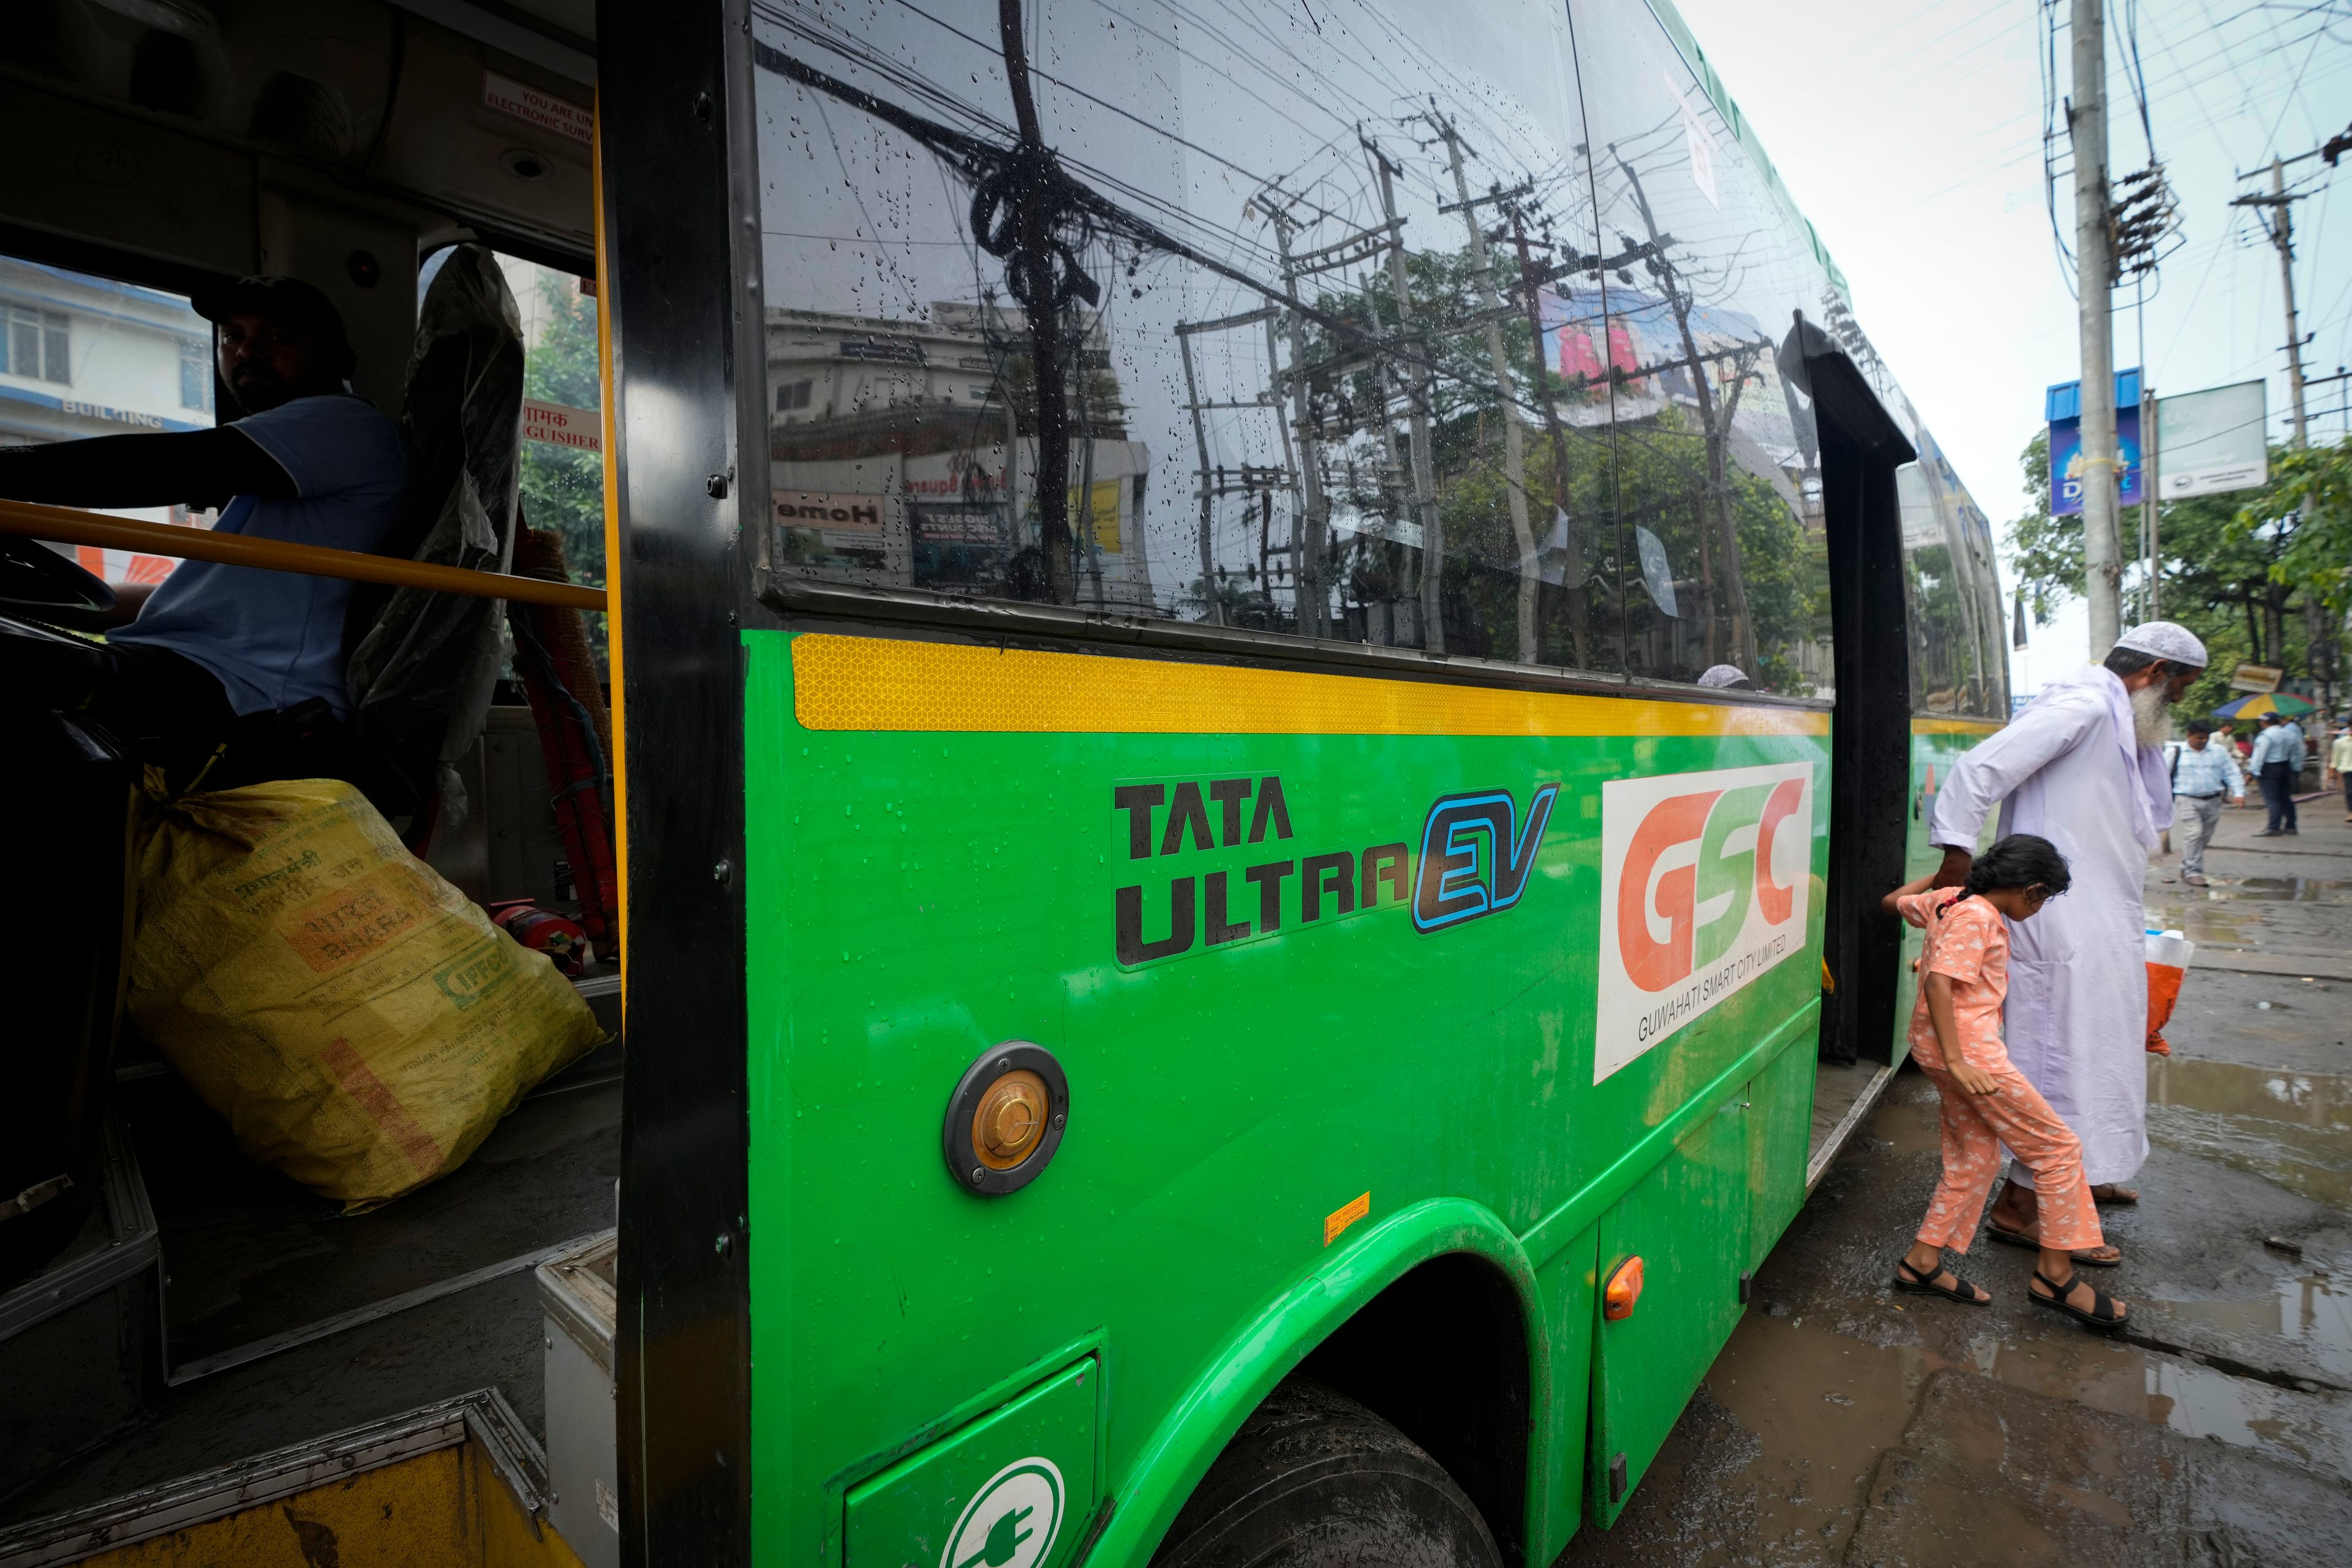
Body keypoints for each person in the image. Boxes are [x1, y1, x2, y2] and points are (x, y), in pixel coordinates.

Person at [0, 276, 408, 786]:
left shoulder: (345, 425)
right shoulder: (293, 464)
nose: (246, 352)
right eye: (232, 337)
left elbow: (163, 467)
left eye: (277, 338)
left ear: (342, 362)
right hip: (199, 673)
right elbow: (188, 602)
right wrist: (30, 603)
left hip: (248, 694)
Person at [1928, 620, 2207, 1260]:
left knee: (2101, 1050)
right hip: (2055, 920)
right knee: (2059, 1058)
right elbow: (1978, 772)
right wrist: (1955, 865)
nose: (2180, 706)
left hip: (2101, 917)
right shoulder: (2082, 705)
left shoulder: (2119, 723)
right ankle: (2023, 1205)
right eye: (2181, 689)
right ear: (2154, 675)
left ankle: (2077, 1174)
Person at [1883, 836, 2125, 1330]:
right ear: (2031, 890)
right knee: (2057, 1150)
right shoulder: (1979, 917)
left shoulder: (1949, 900)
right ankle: (2055, 1276)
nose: (2038, 909)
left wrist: (1942, 874)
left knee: (1976, 1157)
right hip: (1969, 1056)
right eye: (2042, 899)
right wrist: (1958, 1060)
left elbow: (1892, 903)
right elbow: (1938, 980)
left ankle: (1921, 1263)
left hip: (1934, 1048)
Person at [2171, 718, 2244, 888]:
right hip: (2186, 798)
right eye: (2200, 738)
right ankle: (2193, 872)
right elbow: (2160, 776)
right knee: (2194, 833)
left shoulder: (2218, 752)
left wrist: (2239, 792)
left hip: (2213, 799)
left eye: (2206, 738)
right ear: (2189, 735)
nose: (2204, 741)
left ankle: (2186, 865)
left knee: (2204, 837)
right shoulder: (2175, 752)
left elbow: (2231, 772)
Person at [2248, 710, 2305, 837]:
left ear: (2264, 722)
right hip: (2285, 766)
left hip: (2269, 769)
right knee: (2285, 798)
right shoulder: (2289, 734)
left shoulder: (2266, 736)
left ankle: (2274, 827)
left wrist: (2253, 772)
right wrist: (2296, 767)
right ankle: (2291, 826)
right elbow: (2299, 751)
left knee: (2272, 799)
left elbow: (2259, 756)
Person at [2331, 717, 2352, 823]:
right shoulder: (2340, 742)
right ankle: (2351, 813)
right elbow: (2336, 759)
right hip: (2347, 771)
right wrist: (2333, 773)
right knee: (2350, 792)